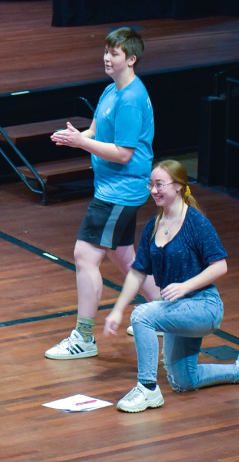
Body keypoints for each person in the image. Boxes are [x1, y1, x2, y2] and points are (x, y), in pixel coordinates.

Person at [103, 160, 239, 411]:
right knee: (183, 380)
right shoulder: (153, 226)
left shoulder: (196, 223)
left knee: (143, 315)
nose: (154, 190)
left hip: (204, 307)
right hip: (175, 309)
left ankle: (147, 389)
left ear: (178, 186)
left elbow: (220, 266)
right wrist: (116, 309)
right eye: (151, 185)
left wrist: (185, 286)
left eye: (160, 185)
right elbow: (136, 274)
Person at [45, 26, 162, 360]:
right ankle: (166, 314)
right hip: (113, 189)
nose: (107, 58)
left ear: (132, 58)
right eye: (106, 52)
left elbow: (124, 153)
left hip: (119, 193)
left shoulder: (131, 100)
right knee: (124, 256)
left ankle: (83, 337)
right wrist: (77, 136)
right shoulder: (111, 91)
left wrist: (83, 143)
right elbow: (96, 131)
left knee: (85, 255)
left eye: (115, 54)